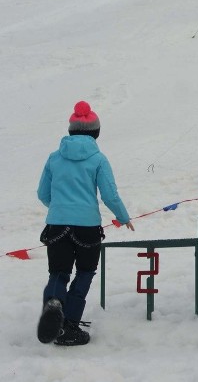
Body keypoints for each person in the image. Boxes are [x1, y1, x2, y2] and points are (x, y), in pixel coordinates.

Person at [36, 101, 135, 346]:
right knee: (85, 273)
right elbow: (109, 195)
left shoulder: (54, 158)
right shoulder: (98, 159)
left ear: (70, 131)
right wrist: (123, 217)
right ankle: (68, 326)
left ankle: (54, 301)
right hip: (87, 227)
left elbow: (42, 193)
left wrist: (60, 210)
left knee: (59, 272)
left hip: (57, 225)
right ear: (96, 133)